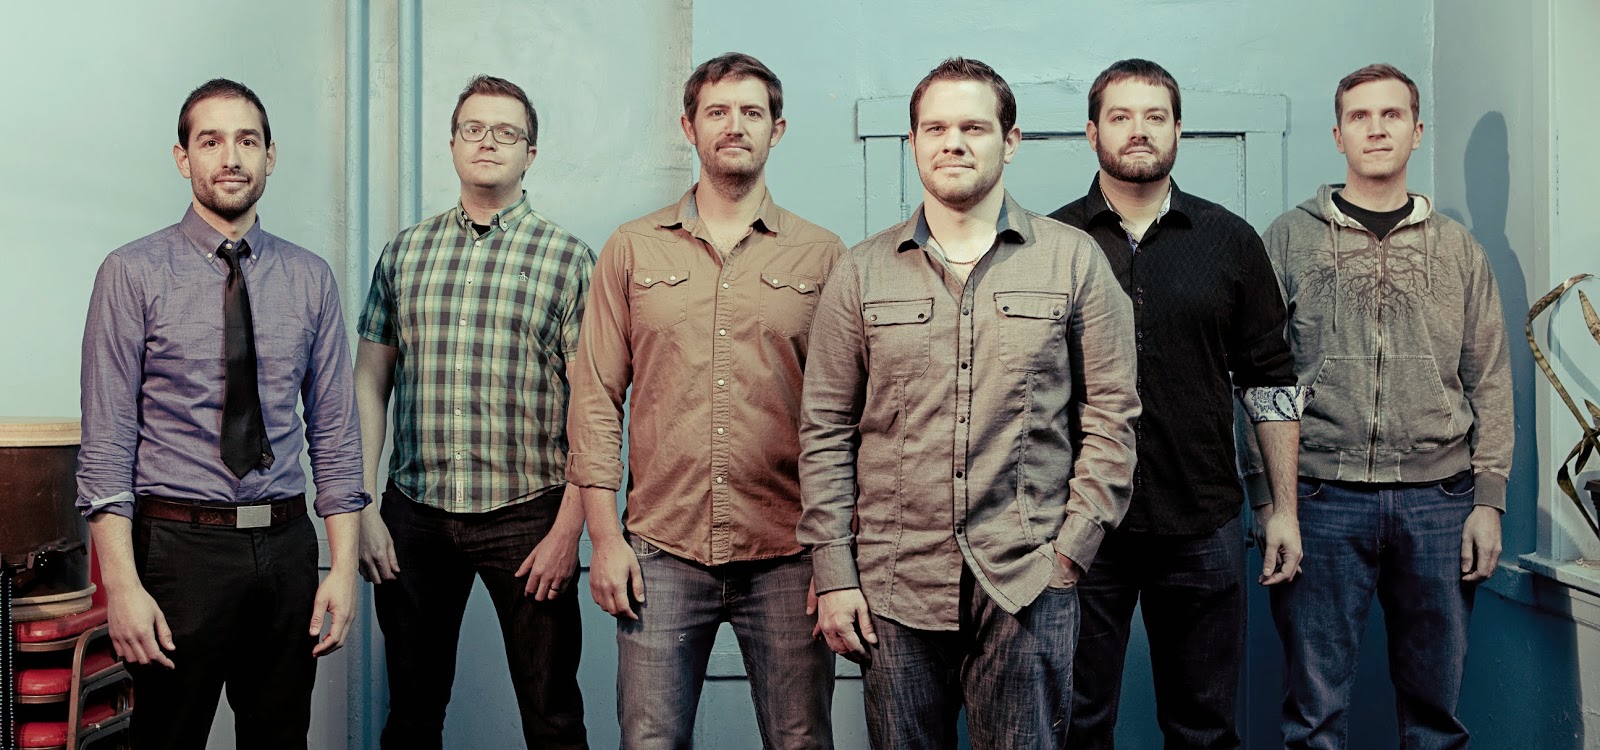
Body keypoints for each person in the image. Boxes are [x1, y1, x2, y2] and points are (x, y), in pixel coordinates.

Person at [799, 57, 1141, 750]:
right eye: (935, 128)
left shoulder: (1073, 260)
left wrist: (1069, 555)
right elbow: (826, 429)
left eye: (974, 128)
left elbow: (1113, 417)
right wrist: (833, 574)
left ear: (1009, 142)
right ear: (914, 142)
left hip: (1028, 581)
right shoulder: (860, 272)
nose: (952, 142)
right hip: (893, 587)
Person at [567, 52, 847, 749]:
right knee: (650, 742)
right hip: (660, 551)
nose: (735, 126)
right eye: (717, 112)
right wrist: (605, 540)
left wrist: (837, 558)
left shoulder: (822, 256)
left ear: (777, 129)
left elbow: (849, 416)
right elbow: (596, 397)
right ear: (688, 127)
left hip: (789, 553)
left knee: (801, 741)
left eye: (752, 112)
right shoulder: (631, 249)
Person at [77, 78, 366, 749]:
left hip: (288, 550)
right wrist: (121, 586)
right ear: (183, 158)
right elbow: (107, 441)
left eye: (247, 141)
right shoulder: (131, 273)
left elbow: (335, 435)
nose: (231, 157)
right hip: (177, 552)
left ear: (270, 156)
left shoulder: (310, 278)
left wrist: (342, 567)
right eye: (211, 141)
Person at [1047, 58, 1306, 749]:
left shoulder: (1230, 240)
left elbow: (1269, 380)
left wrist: (1282, 509)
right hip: (1079, 525)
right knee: (1074, 724)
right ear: (1092, 132)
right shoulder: (1051, 244)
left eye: (1155, 116)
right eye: (1121, 117)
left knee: (1205, 730)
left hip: (1203, 525)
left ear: (1178, 130)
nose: (1139, 131)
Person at [1261, 63, 1512, 749]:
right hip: (1319, 497)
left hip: (1440, 501)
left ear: (1417, 131)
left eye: (1392, 115)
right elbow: (1258, 376)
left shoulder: (1458, 249)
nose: (1376, 129)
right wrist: (1270, 500)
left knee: (1435, 717)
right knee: (1313, 716)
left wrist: (1488, 501)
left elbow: (1490, 377)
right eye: (1360, 116)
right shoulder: (1289, 239)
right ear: (1338, 135)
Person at [354, 75, 593, 749]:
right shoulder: (405, 253)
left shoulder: (569, 260)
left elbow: (593, 407)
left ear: (530, 152)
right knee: (412, 714)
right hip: (414, 515)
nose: (488, 142)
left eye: (506, 132)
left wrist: (568, 531)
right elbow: (369, 380)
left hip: (530, 515)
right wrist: (364, 506)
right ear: (454, 143)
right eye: (474, 129)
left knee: (552, 716)